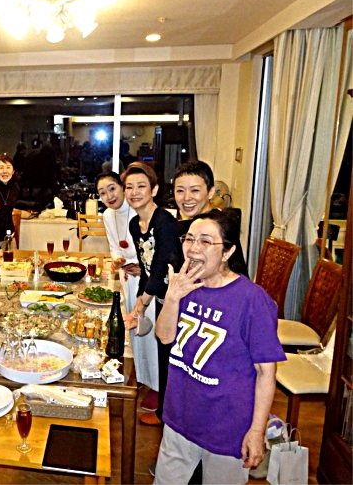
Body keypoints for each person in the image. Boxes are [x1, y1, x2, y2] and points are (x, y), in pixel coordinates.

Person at [154, 212, 285, 484]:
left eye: (205, 241)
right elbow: (164, 337)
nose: (193, 248)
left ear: (227, 252)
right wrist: (172, 297)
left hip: (227, 426)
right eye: (189, 239)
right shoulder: (185, 285)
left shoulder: (251, 300)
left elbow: (266, 373)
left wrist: (257, 431)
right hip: (179, 414)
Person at [122, 162, 182, 427]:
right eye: (129, 187)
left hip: (179, 299)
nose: (134, 192)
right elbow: (145, 268)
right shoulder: (136, 224)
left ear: (154, 190)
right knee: (163, 354)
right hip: (160, 297)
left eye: (141, 186)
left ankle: (170, 416)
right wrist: (141, 303)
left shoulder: (164, 222)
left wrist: (139, 306)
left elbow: (160, 267)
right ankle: (165, 413)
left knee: (172, 357)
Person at [96, 171, 159, 411]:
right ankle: (141, 376)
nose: (109, 196)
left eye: (112, 189)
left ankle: (157, 386)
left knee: (149, 329)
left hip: (146, 279)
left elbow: (151, 250)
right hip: (127, 277)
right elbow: (115, 246)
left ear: (122, 188)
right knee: (133, 330)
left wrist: (139, 266)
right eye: (102, 193)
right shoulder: (108, 215)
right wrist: (117, 260)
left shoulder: (138, 211)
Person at [173, 161, 248, 276]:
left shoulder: (219, 226)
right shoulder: (186, 225)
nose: (186, 198)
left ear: (211, 192)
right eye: (180, 191)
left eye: (195, 190)